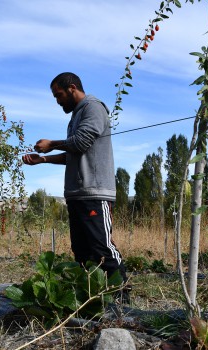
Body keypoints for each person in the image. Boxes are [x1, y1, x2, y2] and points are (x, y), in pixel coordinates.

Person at [22, 72, 127, 283]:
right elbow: (74, 153)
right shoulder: (76, 117)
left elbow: (81, 142)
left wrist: (51, 144)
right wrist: (43, 159)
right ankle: (92, 295)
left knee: (101, 246)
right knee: (81, 250)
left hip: (94, 192)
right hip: (77, 193)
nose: (57, 101)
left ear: (72, 88)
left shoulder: (93, 107)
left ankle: (122, 293)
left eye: (58, 95)